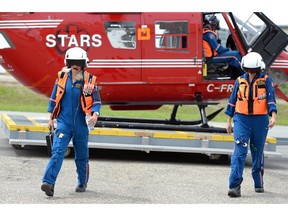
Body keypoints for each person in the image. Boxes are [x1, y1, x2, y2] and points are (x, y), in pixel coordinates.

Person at [41, 47, 102, 197]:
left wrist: (95, 113)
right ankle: (48, 183)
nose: (76, 68)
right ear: (69, 64)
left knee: (81, 156)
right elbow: (54, 98)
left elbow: (97, 101)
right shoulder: (61, 77)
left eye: (79, 65)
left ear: (83, 65)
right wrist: (50, 118)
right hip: (64, 122)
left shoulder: (89, 80)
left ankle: (82, 182)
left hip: (82, 124)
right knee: (57, 152)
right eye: (74, 65)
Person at [225, 52, 277, 198]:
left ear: (260, 68)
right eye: (248, 70)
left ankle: (258, 182)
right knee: (239, 153)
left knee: (257, 152)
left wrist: (273, 115)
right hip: (241, 120)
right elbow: (232, 101)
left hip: (260, 121)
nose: (251, 73)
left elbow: (271, 99)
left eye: (254, 70)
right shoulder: (239, 80)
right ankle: (234, 186)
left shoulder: (267, 81)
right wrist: (228, 121)